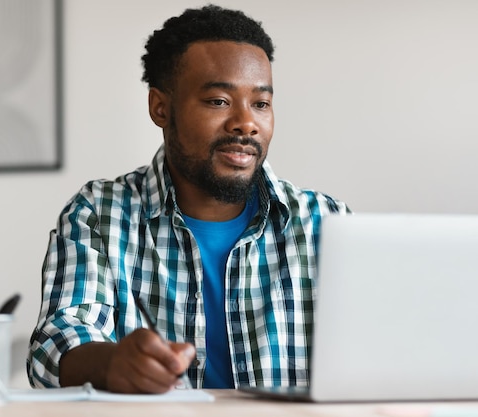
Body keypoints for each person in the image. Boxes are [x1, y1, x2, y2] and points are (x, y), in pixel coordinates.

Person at [27, 4, 350, 393]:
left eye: (261, 103)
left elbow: (381, 349)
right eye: (218, 101)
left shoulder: (328, 222)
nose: (246, 123)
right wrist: (113, 363)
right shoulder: (101, 213)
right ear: (160, 107)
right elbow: (54, 346)